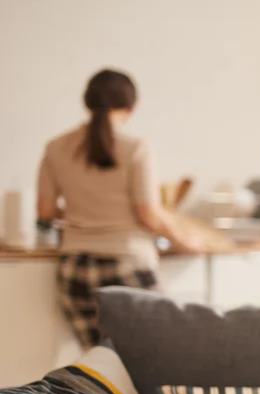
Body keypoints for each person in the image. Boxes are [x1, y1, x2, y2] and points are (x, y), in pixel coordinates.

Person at [37, 69, 203, 347]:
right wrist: (187, 241)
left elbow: (45, 211)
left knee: (100, 364)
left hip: (75, 269)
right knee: (152, 358)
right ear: (131, 107)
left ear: (87, 103)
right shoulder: (136, 148)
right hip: (127, 265)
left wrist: (86, 211)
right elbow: (148, 214)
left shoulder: (55, 148)